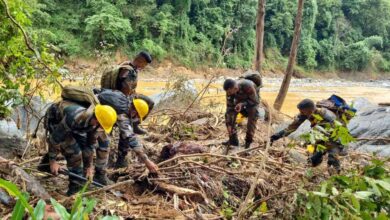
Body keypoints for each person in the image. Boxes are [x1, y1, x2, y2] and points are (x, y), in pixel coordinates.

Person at [45, 102, 117, 196]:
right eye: (101, 126)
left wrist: (89, 167)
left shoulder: (94, 125)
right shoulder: (74, 117)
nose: (102, 130)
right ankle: (74, 189)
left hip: (76, 126)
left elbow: (89, 145)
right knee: (75, 153)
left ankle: (81, 178)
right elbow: (54, 139)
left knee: (83, 149)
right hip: (55, 121)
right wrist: (53, 161)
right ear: (96, 120)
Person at [270, 99, 344, 174]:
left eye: (302, 111)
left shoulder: (327, 117)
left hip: (335, 137)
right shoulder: (305, 114)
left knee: (332, 159)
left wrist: (321, 152)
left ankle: (336, 177)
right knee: (313, 160)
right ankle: (314, 172)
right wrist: (275, 136)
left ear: (310, 111)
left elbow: (332, 136)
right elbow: (291, 128)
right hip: (320, 136)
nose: (300, 113)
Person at [96, 89, 159, 173]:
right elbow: (131, 138)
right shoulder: (123, 115)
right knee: (105, 143)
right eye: (136, 116)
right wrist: (147, 162)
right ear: (134, 112)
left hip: (98, 112)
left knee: (124, 135)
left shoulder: (126, 99)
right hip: (95, 116)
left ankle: (121, 161)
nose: (135, 118)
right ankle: (100, 174)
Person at [114, 51, 155, 135]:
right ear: (140, 60)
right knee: (149, 103)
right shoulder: (129, 71)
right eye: (145, 64)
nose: (144, 67)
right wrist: (132, 103)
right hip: (121, 97)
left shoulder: (127, 64)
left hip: (118, 93)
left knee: (149, 101)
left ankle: (135, 125)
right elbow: (125, 91)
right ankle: (133, 125)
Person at [223, 78, 260, 148]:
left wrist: (242, 104)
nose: (228, 94)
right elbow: (229, 108)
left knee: (253, 115)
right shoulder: (229, 91)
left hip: (252, 102)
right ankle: (233, 141)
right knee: (228, 115)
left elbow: (255, 102)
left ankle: (248, 143)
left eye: (230, 93)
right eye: (227, 92)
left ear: (235, 88)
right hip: (239, 101)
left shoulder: (248, 86)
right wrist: (229, 125)